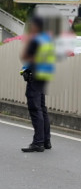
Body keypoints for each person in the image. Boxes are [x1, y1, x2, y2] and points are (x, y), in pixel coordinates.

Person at [19, 17, 55, 153]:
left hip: (35, 76)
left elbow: (26, 56)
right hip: (44, 76)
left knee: (35, 109)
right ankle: (46, 141)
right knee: (42, 108)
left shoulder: (35, 40)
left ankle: (38, 142)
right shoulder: (48, 39)